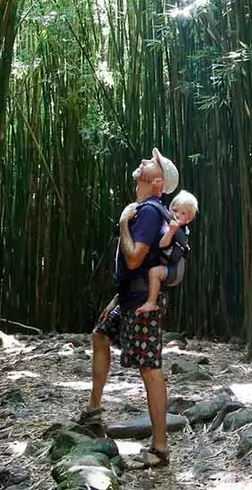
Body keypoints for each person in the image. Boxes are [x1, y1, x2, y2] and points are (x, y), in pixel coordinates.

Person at [82, 149, 178, 470]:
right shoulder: (147, 208)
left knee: (150, 368)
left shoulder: (149, 212)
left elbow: (135, 257)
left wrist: (123, 222)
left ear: (158, 183)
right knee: (100, 335)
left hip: (143, 305)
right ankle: (94, 411)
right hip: (129, 298)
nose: (143, 161)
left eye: (151, 163)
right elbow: (135, 267)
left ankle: (160, 449)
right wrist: (115, 300)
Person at [135, 190, 197, 313]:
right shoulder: (167, 223)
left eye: (183, 213)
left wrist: (171, 231)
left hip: (174, 271)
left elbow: (162, 244)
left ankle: (151, 302)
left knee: (154, 272)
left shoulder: (179, 231)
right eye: (174, 210)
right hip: (167, 264)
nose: (177, 215)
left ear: (188, 219)